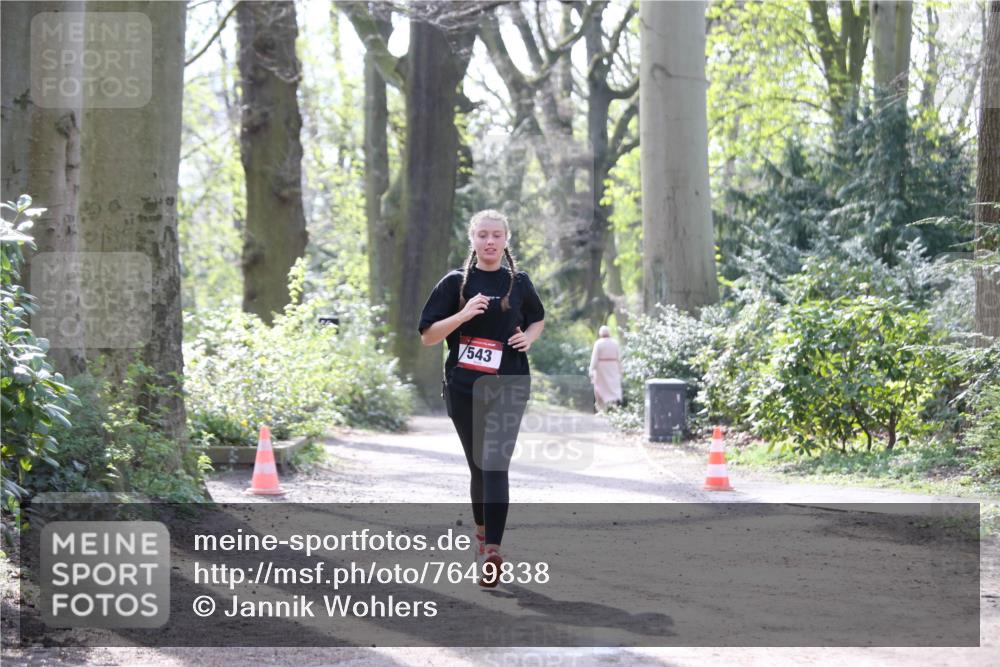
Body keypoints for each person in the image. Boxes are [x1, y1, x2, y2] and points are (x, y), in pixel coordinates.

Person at [418, 209, 545, 588]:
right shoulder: (455, 283)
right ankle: (481, 534)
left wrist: (530, 338)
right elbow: (427, 335)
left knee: (495, 465)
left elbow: (538, 318)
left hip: (509, 384)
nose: (490, 241)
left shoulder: (518, 282)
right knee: (479, 469)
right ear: (472, 240)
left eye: (496, 235)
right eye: (482, 235)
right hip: (464, 389)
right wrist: (464, 313)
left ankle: (492, 550)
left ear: (506, 240)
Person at [589, 325, 622, 411]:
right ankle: (615, 407)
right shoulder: (615, 343)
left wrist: (591, 369)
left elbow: (594, 357)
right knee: (613, 386)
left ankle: (601, 408)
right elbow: (619, 357)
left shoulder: (598, 343)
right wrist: (620, 369)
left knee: (600, 387)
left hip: (601, 368)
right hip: (613, 367)